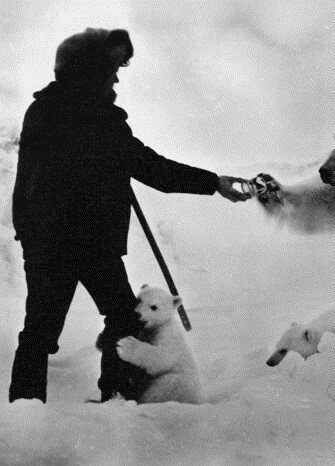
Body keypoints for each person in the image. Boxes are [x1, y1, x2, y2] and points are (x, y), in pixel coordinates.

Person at [9, 28, 251, 403]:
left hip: (56, 242)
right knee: (115, 321)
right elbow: (152, 169)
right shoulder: (96, 117)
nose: (117, 77)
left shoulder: (47, 109)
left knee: (49, 329)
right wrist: (215, 182)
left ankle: (38, 408)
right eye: (112, 69)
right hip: (79, 243)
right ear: (89, 72)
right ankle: (113, 399)